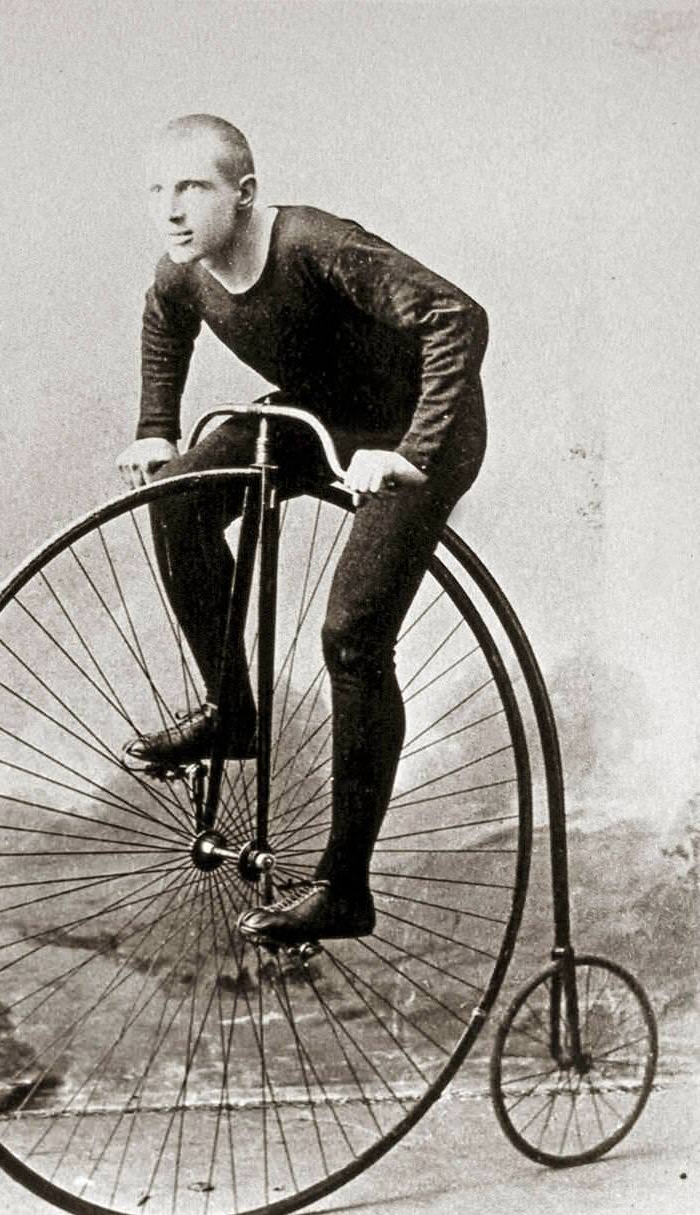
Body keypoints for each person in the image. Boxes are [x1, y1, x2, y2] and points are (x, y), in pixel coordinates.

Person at [116, 114, 488, 947]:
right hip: (324, 419)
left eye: (192, 188)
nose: (171, 210)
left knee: (353, 634)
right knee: (180, 493)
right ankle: (233, 711)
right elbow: (163, 320)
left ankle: (344, 887)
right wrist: (154, 427)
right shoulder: (186, 272)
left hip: (423, 429)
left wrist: (414, 453)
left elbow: (456, 317)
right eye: (157, 190)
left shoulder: (315, 245)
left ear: (243, 195)